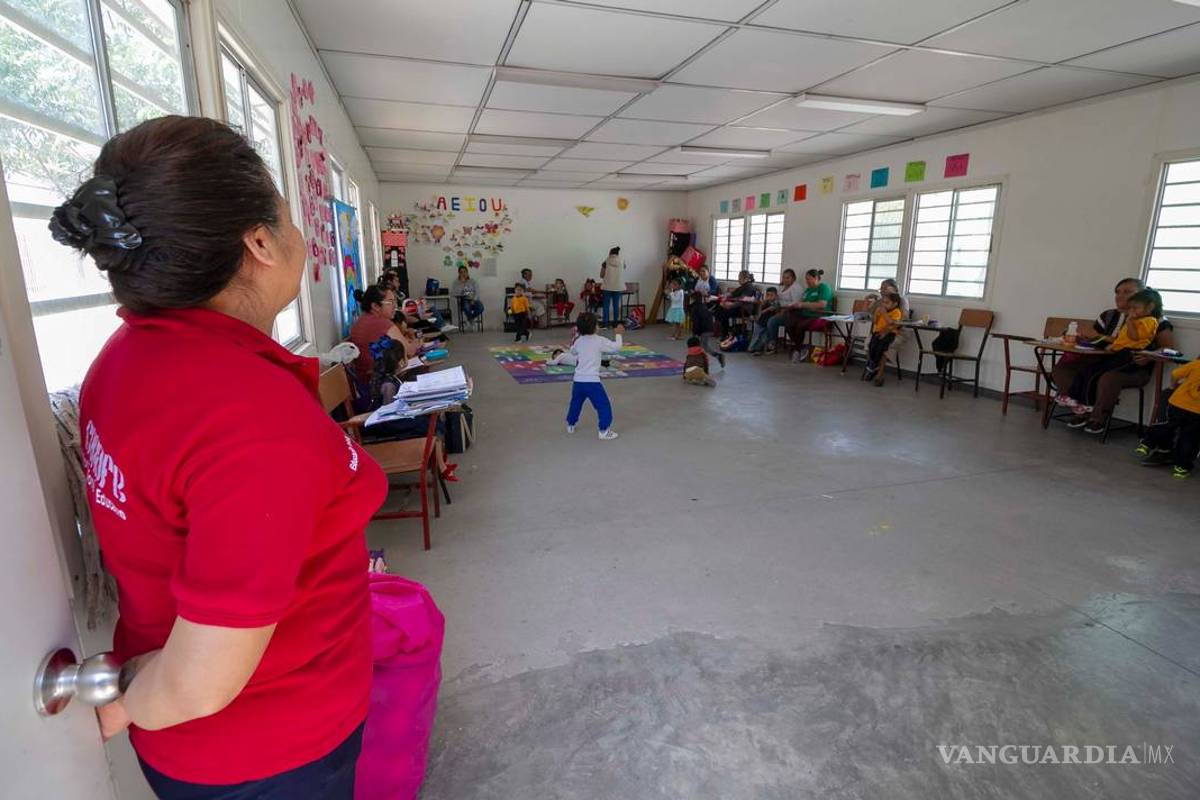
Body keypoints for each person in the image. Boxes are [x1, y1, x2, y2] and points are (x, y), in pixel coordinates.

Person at [51, 116, 380, 797]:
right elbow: (202, 679)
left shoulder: (125, 361)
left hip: (203, 747)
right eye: (288, 222)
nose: (299, 241)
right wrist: (124, 702)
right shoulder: (252, 417)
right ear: (259, 241)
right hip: (269, 751)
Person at [1056, 278, 1176, 433]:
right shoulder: (1108, 315)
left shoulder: (1156, 320)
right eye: (1117, 292)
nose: (1120, 296)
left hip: (1134, 367)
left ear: (1142, 295)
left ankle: (1097, 418)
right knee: (1063, 369)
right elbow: (1096, 340)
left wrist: (1149, 355)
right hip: (1104, 359)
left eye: (1127, 292)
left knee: (1107, 377)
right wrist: (1084, 338)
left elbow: (1169, 349)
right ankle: (1081, 409)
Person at [1061, 288, 1162, 416]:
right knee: (1088, 369)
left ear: (1150, 307)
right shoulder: (1126, 318)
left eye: (1135, 308)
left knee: (1098, 373)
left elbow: (1135, 337)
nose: (1131, 311)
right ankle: (1075, 399)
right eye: (1131, 308)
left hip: (1130, 355)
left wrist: (1129, 322)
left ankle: (1087, 405)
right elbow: (1123, 339)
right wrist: (1112, 345)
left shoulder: (1149, 321)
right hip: (1119, 352)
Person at [1137, 357, 1200, 479]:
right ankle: (1181, 468)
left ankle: (1147, 443)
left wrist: (1173, 386)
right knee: (1189, 439)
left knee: (1167, 425)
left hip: (1178, 404)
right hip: (1197, 412)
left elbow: (1175, 374)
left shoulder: (1196, 364)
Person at [564, 312, 622, 440]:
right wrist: (619, 334)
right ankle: (604, 430)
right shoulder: (599, 340)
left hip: (578, 381)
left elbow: (572, 351)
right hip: (592, 382)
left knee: (575, 403)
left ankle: (570, 424)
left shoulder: (579, 341)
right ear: (596, 327)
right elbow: (617, 348)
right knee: (603, 405)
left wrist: (575, 339)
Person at [350, 285, 404, 384]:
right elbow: (408, 350)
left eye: (395, 302)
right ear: (375, 306)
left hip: (365, 382)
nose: (394, 306)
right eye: (390, 302)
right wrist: (416, 339)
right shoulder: (382, 323)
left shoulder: (360, 321)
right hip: (381, 383)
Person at [784, 269, 835, 363]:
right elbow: (802, 302)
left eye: (808, 279)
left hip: (819, 316)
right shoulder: (808, 290)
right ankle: (800, 348)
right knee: (789, 324)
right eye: (805, 279)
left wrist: (804, 305)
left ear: (815, 278)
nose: (806, 281)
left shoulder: (824, 287)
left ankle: (797, 350)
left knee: (800, 325)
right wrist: (795, 305)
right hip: (805, 314)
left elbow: (821, 305)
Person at [750, 269, 805, 355]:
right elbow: (776, 299)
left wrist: (782, 310)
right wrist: (767, 303)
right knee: (760, 320)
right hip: (777, 309)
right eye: (784, 277)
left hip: (791, 313)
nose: (785, 280)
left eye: (788, 278)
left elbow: (796, 304)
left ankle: (772, 344)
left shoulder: (796, 288)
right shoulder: (781, 287)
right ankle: (756, 345)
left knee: (772, 321)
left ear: (793, 278)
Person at [863, 293, 903, 386]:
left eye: (887, 303)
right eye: (883, 302)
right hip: (877, 332)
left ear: (895, 304)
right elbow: (874, 322)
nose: (884, 305)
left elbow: (891, 322)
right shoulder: (881, 310)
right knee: (872, 346)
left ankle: (874, 367)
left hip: (889, 333)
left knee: (881, 348)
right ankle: (874, 365)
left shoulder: (897, 312)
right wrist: (876, 314)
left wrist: (884, 313)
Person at [717, 270, 759, 345]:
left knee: (725, 312)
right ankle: (725, 332)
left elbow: (742, 300)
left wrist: (730, 305)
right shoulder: (743, 286)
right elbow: (733, 294)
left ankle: (725, 334)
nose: (738, 279)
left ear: (746, 278)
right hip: (739, 307)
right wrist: (725, 296)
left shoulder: (749, 287)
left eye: (740, 278)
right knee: (720, 308)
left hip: (745, 309)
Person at [688, 290, 725, 370]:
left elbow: (696, 322)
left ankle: (701, 364)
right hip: (708, 328)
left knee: (701, 348)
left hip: (704, 329)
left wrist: (695, 333)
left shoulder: (695, 308)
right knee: (704, 346)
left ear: (693, 299)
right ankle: (717, 356)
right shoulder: (702, 305)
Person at [746, 286, 780, 353]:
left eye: (772, 295)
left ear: (776, 296)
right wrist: (764, 304)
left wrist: (770, 308)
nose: (769, 297)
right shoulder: (764, 303)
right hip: (759, 323)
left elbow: (776, 310)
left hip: (767, 325)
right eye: (768, 295)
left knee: (763, 338)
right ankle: (751, 348)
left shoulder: (776, 304)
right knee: (756, 337)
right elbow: (759, 312)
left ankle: (758, 349)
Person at [600, 246, 625, 328]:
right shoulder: (622, 261)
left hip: (607, 287)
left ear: (610, 253)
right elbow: (623, 269)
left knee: (606, 306)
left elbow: (601, 275)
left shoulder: (605, 262)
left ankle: (605, 324)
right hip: (618, 287)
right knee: (616, 305)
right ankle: (615, 324)